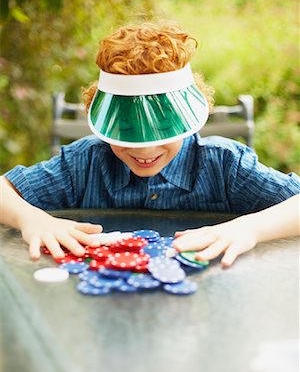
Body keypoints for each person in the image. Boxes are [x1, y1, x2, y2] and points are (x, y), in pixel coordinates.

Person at [0, 22, 299, 267]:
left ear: (188, 114)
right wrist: (30, 218)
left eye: (163, 130)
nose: (144, 150)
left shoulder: (226, 166)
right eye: (126, 130)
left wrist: (249, 228)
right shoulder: (83, 163)